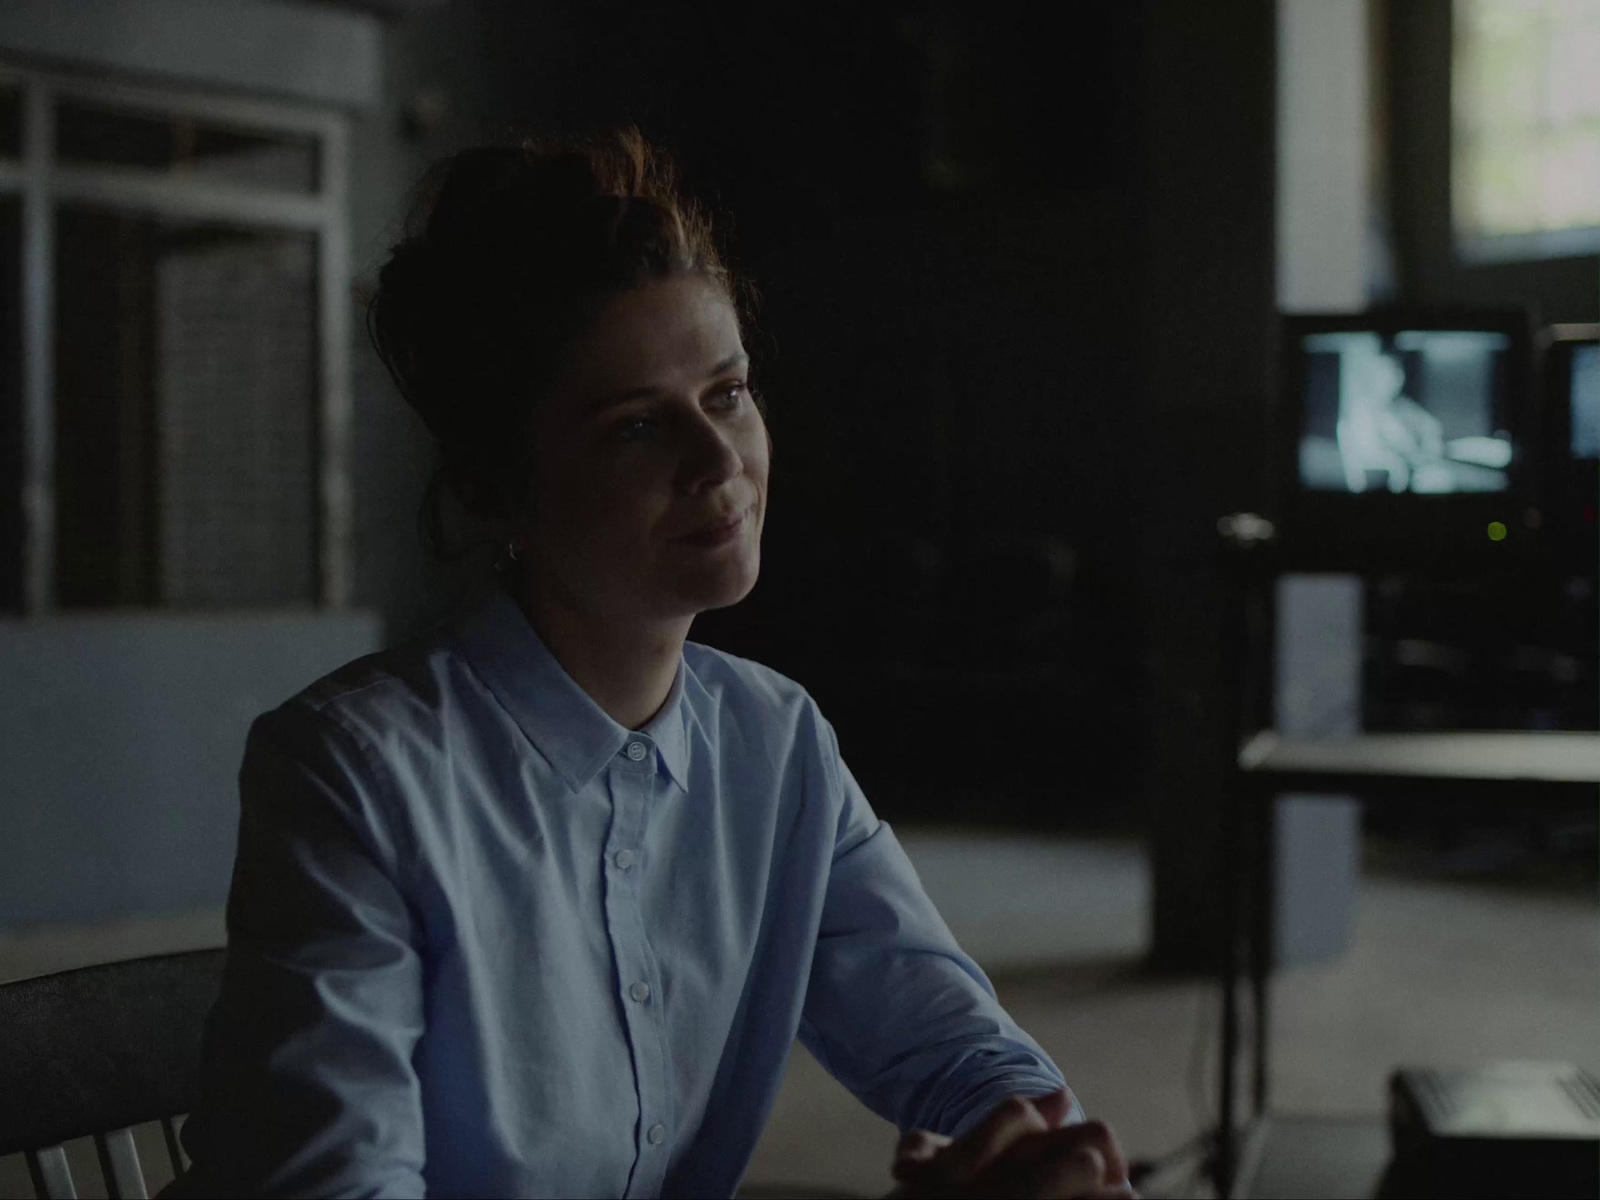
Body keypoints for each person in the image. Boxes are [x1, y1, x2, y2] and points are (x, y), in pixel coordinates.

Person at [163, 128, 1133, 1200]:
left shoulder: (775, 742)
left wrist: (1035, 1151)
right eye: (635, 428)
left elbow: (955, 1043)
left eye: (727, 393)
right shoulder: (355, 772)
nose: (719, 462)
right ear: (494, 491)